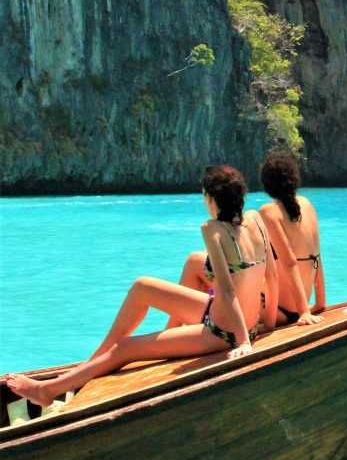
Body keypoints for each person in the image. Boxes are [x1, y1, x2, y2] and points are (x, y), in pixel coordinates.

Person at [5, 165, 278, 407]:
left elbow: (228, 290)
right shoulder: (255, 219)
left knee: (126, 348)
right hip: (241, 321)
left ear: (211, 197)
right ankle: (90, 366)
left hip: (221, 333)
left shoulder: (212, 229)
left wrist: (243, 341)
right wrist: (266, 323)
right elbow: (272, 275)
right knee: (143, 286)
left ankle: (47, 390)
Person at [259, 152, 326, 326]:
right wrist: (319, 303)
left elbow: (289, 263)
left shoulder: (268, 211)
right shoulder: (307, 204)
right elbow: (317, 257)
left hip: (280, 310)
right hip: (299, 306)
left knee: (201, 265)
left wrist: (304, 312)